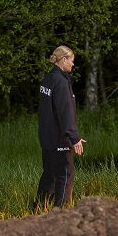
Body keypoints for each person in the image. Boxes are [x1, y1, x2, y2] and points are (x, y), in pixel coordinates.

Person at [34, 45, 86, 211]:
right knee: (64, 175)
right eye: (71, 61)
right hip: (59, 139)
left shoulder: (48, 79)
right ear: (63, 60)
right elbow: (65, 113)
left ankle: (37, 210)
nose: (73, 64)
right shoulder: (61, 83)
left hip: (47, 137)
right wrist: (74, 138)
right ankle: (61, 214)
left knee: (50, 175)